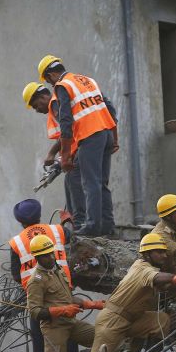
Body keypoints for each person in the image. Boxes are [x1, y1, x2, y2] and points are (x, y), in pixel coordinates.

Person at [37, 54, 118, 237]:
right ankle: (107, 225)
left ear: (50, 76)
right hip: (106, 134)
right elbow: (109, 108)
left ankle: (92, 226)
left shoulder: (62, 86)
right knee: (102, 183)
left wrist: (65, 156)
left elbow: (66, 123)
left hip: (90, 136)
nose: (51, 86)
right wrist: (115, 137)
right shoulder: (86, 80)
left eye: (49, 81)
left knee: (91, 183)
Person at [8, 198, 80, 352]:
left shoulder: (17, 243)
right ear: (39, 216)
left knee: (40, 340)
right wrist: (67, 219)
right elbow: (70, 233)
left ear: (21, 222)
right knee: (69, 333)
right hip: (62, 293)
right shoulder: (56, 231)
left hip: (37, 297)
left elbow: (16, 274)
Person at [26, 235, 104, 352]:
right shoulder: (36, 281)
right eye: (46, 255)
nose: (50, 257)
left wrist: (90, 304)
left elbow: (68, 298)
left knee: (102, 337)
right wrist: (61, 311)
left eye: (51, 253)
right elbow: (34, 311)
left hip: (70, 323)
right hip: (54, 328)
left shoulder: (58, 271)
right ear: (38, 257)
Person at [22, 81, 85, 229]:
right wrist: (58, 157)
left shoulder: (56, 104)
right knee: (70, 182)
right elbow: (64, 136)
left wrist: (55, 154)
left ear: (43, 96)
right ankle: (76, 221)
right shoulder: (55, 107)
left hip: (82, 146)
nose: (37, 110)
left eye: (36, 105)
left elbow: (67, 131)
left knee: (75, 182)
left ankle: (80, 222)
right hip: (78, 148)